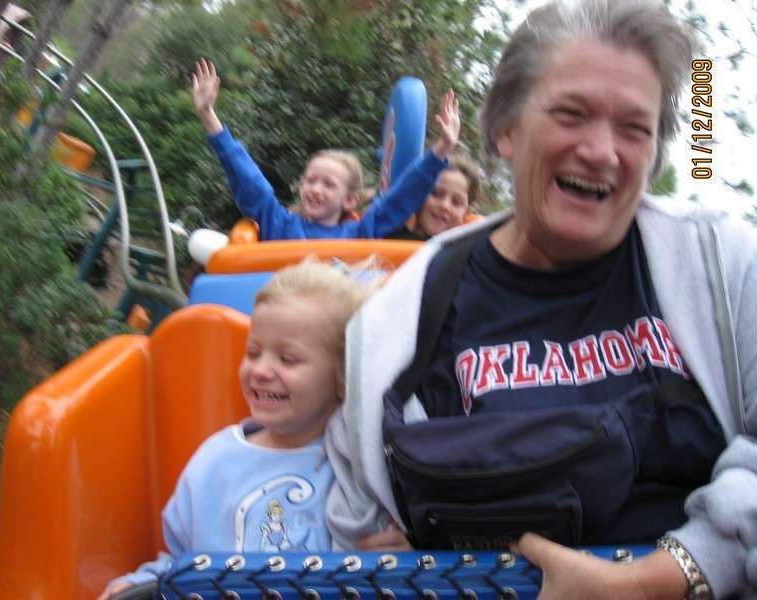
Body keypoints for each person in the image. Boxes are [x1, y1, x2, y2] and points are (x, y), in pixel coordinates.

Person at [325, 0, 757, 599]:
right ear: (507, 129)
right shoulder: (396, 318)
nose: (602, 151)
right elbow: (359, 528)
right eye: (571, 114)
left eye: (634, 128)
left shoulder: (723, 263)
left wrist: (663, 579)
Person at [98, 259, 378, 600]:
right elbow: (179, 562)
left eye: (287, 359)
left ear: (343, 375)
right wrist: (141, 582)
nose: (260, 370)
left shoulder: (359, 468)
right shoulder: (215, 461)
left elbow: (387, 562)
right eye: (253, 352)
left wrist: (401, 552)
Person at [192, 58, 461, 241]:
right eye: (310, 180)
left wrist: (441, 149)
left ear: (350, 200)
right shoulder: (281, 226)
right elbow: (249, 182)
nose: (315, 188)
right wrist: (208, 116)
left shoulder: (359, 233)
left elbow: (401, 197)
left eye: (328, 184)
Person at [385, 153, 485, 241]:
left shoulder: (470, 252)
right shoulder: (385, 232)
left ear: (466, 212)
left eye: (456, 202)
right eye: (436, 194)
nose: (444, 206)